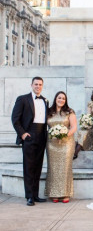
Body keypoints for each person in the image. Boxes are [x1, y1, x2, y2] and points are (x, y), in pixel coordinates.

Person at [11, 77, 49, 206]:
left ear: (42, 86)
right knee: (29, 166)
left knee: (38, 166)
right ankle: (29, 196)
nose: (38, 86)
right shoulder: (23, 99)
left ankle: (36, 195)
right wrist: (22, 134)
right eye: (36, 84)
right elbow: (15, 119)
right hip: (29, 135)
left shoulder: (45, 100)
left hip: (41, 136)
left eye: (40, 84)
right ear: (31, 85)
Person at [44, 91, 77, 203]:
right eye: (59, 98)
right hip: (51, 143)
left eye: (63, 98)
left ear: (65, 100)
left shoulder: (69, 112)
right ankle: (54, 193)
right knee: (53, 168)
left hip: (66, 143)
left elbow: (73, 127)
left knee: (65, 167)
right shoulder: (49, 112)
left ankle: (65, 193)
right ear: (55, 99)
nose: (61, 100)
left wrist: (63, 135)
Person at [73, 84, 93, 159]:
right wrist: (86, 122)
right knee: (80, 131)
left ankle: (75, 152)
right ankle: (74, 150)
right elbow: (88, 115)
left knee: (85, 133)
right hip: (91, 123)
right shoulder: (91, 102)